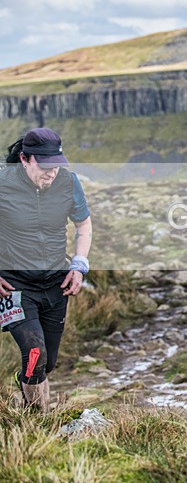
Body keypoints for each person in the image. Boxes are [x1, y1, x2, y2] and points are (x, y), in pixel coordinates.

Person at [0, 128, 92, 412]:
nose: (51, 172)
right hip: (14, 285)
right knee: (35, 352)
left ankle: (26, 383)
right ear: (25, 159)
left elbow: (83, 226)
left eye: (56, 165)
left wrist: (78, 265)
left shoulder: (68, 183)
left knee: (46, 363)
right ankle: (37, 419)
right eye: (45, 165)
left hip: (55, 284)